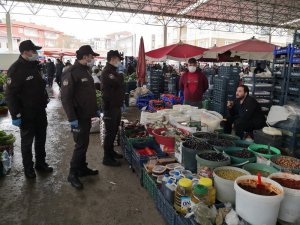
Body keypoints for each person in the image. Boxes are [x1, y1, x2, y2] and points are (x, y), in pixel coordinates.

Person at [6, 40, 52, 178]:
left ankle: (41, 163)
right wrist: (15, 115)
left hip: (39, 111)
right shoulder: (16, 69)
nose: (36, 53)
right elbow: (10, 94)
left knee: (41, 138)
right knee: (27, 142)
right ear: (25, 52)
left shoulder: (34, 66)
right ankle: (28, 168)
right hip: (26, 113)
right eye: (34, 51)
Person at [61, 45, 100, 190]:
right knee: (80, 145)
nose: (93, 59)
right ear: (85, 57)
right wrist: (72, 118)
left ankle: (82, 168)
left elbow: (87, 93)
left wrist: (94, 110)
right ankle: (72, 174)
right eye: (92, 56)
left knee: (84, 143)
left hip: (86, 115)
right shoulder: (71, 72)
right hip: (77, 116)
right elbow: (66, 98)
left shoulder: (85, 70)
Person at [101, 50, 125, 167]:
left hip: (116, 106)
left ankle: (111, 152)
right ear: (113, 59)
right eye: (119, 59)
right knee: (110, 133)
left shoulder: (113, 71)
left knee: (114, 131)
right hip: (110, 107)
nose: (119, 61)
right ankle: (107, 158)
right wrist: (120, 74)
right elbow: (118, 82)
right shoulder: (107, 72)